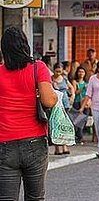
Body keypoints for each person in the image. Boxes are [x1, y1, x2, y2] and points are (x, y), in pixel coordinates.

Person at [0, 27, 58, 200]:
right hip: (34, 141)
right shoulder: (38, 68)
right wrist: (55, 96)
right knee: (35, 198)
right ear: (25, 45)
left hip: (5, 142)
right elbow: (48, 101)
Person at [52, 63, 76, 155]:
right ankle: (58, 147)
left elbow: (71, 87)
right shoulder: (51, 79)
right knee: (57, 125)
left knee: (64, 125)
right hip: (56, 104)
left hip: (65, 103)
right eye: (56, 71)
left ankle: (65, 146)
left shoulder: (64, 78)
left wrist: (72, 96)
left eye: (60, 71)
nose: (58, 73)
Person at [71, 66, 88, 143]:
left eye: (83, 72)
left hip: (85, 103)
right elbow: (75, 92)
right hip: (77, 102)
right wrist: (83, 88)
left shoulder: (87, 83)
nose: (81, 73)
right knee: (77, 120)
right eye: (79, 72)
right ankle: (79, 136)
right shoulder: (75, 82)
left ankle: (79, 135)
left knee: (84, 120)